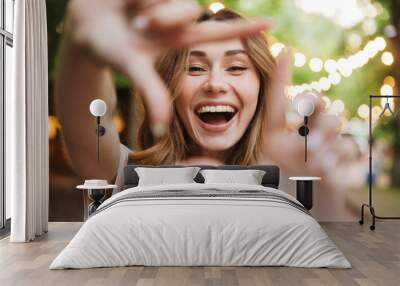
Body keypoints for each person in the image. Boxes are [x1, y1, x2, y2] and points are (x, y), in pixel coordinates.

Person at [55, 0, 352, 197]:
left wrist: (318, 194)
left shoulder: (292, 176)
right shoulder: (125, 174)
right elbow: (90, 120)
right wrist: (81, 53)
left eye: (236, 67)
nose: (215, 83)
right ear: (171, 86)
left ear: (263, 89)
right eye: (194, 68)